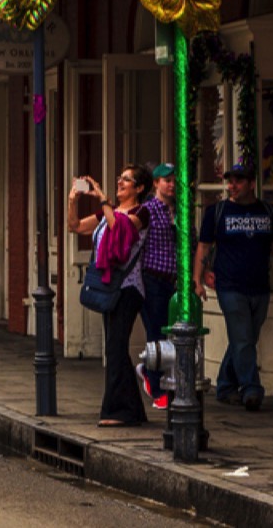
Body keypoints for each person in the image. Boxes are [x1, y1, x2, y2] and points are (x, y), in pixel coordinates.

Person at [193, 161, 273, 411]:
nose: (231, 186)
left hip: (259, 286)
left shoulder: (268, 212)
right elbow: (203, 246)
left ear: (251, 183)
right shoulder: (218, 212)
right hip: (229, 286)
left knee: (244, 338)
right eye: (229, 181)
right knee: (243, 338)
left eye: (237, 181)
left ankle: (225, 384)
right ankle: (251, 389)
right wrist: (198, 278)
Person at [69, 164, 154, 427]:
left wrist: (103, 198)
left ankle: (119, 412)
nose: (120, 182)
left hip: (128, 289)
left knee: (116, 347)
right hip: (110, 287)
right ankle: (133, 411)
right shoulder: (109, 211)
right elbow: (76, 227)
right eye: (120, 178)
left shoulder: (142, 212)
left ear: (139, 188)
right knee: (115, 348)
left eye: (126, 180)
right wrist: (73, 201)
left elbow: (121, 230)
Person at [136, 162, 179, 408]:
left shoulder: (179, 209)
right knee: (156, 334)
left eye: (174, 180)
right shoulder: (148, 210)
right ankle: (156, 386)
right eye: (166, 180)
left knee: (174, 335)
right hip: (152, 279)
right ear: (156, 183)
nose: (171, 184)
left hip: (174, 282)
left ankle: (155, 374)